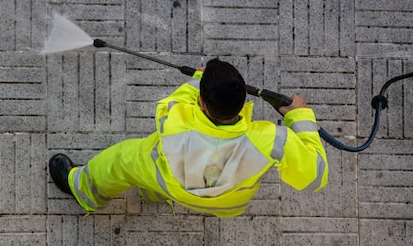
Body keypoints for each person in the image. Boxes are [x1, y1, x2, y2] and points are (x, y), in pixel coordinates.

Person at [49, 58, 328, 217]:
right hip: (226, 204)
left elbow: (178, 98)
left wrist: (198, 78)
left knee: (123, 158)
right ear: (243, 100)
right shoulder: (272, 140)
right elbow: (315, 176)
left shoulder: (175, 119)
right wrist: (300, 117)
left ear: (203, 104)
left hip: (173, 183)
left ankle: (83, 190)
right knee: (153, 168)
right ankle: (152, 195)